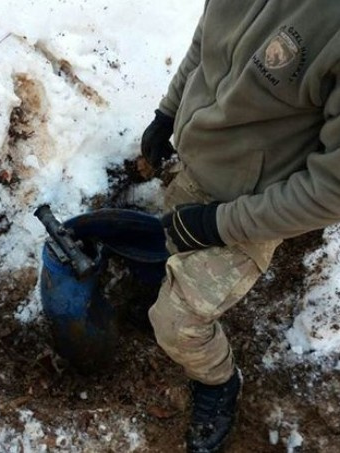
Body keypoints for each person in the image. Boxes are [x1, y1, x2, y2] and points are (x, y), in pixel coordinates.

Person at [140, 1, 340, 452]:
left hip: (257, 204)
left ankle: (218, 382)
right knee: (171, 240)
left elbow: (332, 191)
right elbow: (205, 42)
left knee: (176, 324)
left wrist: (221, 224)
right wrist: (168, 111)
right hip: (201, 158)